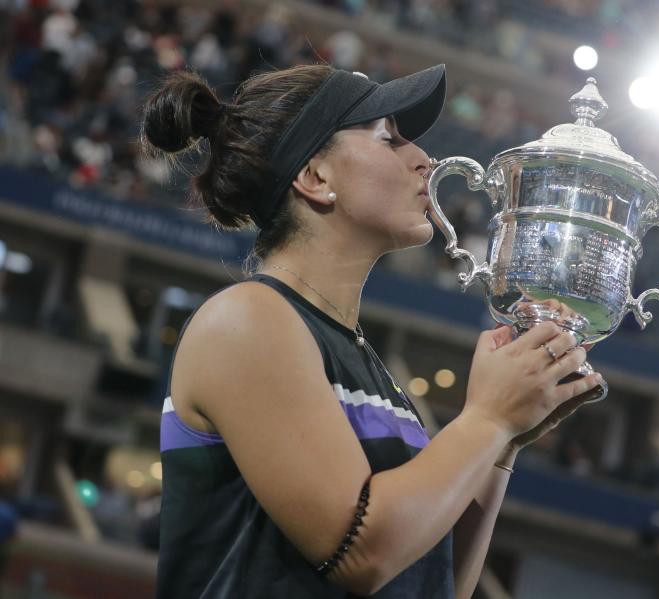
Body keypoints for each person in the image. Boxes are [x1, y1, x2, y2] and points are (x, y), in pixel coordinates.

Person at [141, 62, 603, 598]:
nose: (424, 160)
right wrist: (486, 418)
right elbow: (361, 551)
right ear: (315, 177)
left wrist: (504, 443)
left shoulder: (359, 358)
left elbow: (433, 581)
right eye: (387, 138)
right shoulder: (247, 320)